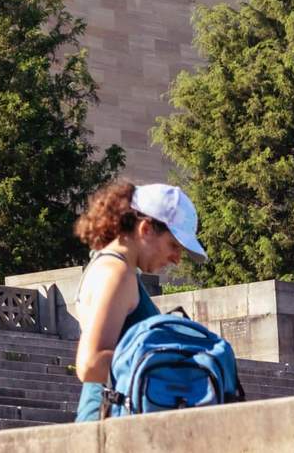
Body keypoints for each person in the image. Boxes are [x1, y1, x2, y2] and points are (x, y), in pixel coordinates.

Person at [72, 180, 205, 422]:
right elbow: (90, 364)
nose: (176, 259)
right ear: (145, 229)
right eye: (173, 245)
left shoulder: (114, 267)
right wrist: (171, 360)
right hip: (108, 426)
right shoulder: (117, 273)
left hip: (111, 421)